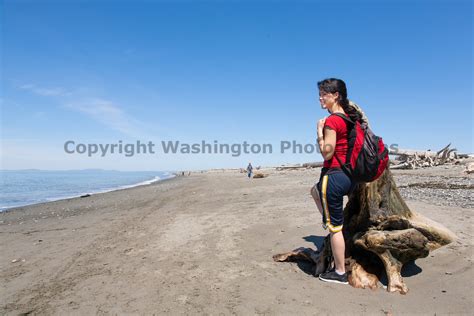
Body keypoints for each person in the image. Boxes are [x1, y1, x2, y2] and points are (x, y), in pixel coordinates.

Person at [310, 78, 361, 285]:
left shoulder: (332, 121)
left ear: (336, 95)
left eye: (324, 94)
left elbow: (327, 152)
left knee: (335, 229)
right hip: (350, 177)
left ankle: (340, 272)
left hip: (333, 176)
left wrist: (319, 135)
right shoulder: (349, 119)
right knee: (314, 191)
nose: (320, 98)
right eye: (320, 93)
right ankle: (328, 218)